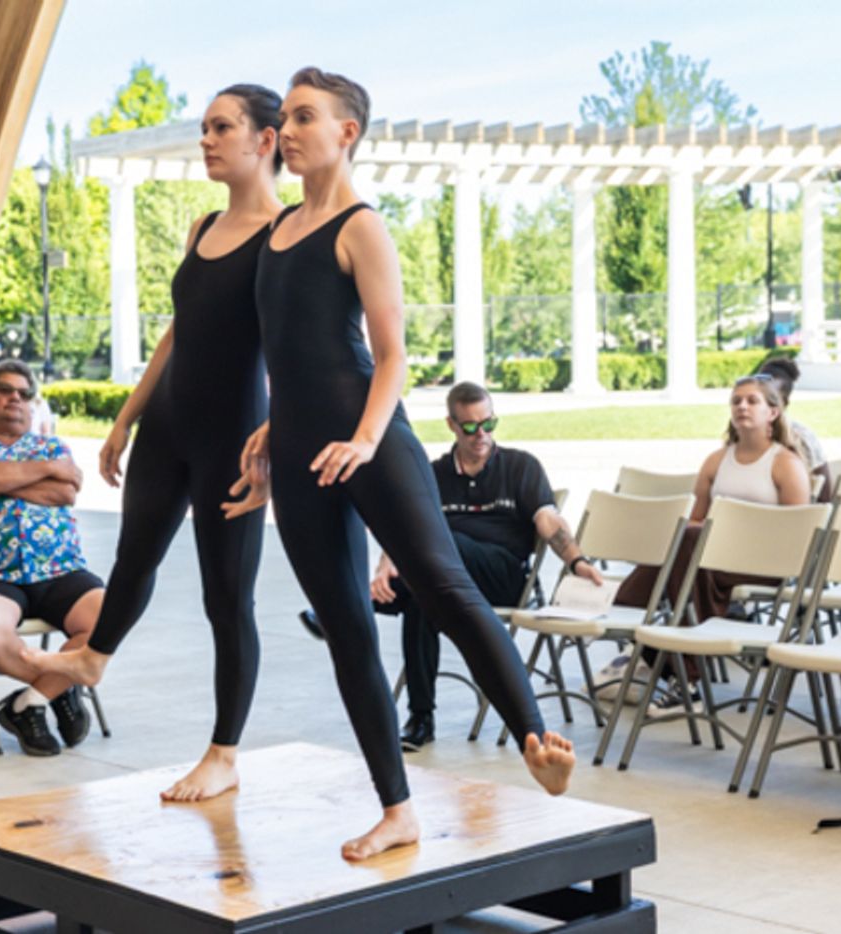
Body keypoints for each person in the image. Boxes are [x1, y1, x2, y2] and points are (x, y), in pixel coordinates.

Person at [217, 68, 575, 860]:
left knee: (442, 586)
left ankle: (535, 739)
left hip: (371, 444)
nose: (293, 127)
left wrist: (368, 440)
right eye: (290, 115)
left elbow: (391, 358)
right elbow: (296, 356)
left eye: (307, 116)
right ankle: (396, 808)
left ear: (347, 132)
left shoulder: (359, 226)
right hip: (309, 456)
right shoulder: (276, 233)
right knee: (347, 626)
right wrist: (274, 430)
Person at [20, 85, 282, 801]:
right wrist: (126, 416)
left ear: (265, 141)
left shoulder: (283, 237)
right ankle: (95, 660)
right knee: (132, 560)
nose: (206, 139)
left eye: (222, 128)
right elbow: (179, 330)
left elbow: (297, 350)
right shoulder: (202, 226)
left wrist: (274, 448)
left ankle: (224, 753)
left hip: (234, 439)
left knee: (227, 600)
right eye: (203, 128)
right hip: (168, 426)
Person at [301, 382, 603, 751]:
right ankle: (421, 719)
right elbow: (403, 526)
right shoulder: (434, 474)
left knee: (438, 555)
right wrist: (385, 565)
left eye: (489, 423)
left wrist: (576, 559)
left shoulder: (520, 466)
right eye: (471, 427)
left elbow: (548, 521)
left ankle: (346, 609)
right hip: (441, 578)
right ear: (452, 425)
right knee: (422, 596)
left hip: (502, 576)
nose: (482, 435)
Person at [607, 374, 810, 709]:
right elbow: (697, 517)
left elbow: (797, 533)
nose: (742, 406)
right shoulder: (717, 460)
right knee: (687, 544)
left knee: (686, 548)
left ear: (773, 412)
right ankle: (682, 675)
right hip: (710, 560)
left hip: (766, 562)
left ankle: (628, 614)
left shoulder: (785, 463)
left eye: (752, 401)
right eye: (736, 400)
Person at [0, 360, 104, 756]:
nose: (15, 399)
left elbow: (66, 493)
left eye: (24, 394)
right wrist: (45, 472)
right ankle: (60, 690)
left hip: (60, 568)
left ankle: (27, 703)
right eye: (5, 390)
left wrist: (2, 485)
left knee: (109, 621)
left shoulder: (51, 444)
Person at [756, 357, 832, 501]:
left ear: (784, 403)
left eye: (771, 398)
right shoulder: (741, 433)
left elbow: (824, 498)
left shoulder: (802, 438)